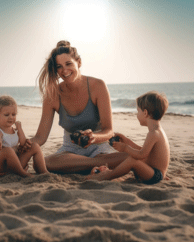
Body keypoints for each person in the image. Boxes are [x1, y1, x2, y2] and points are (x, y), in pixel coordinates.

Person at [27, 41, 128, 173]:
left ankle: (83, 165)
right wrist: (23, 146)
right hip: (70, 151)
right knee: (42, 163)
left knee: (127, 156)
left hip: (98, 147)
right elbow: (40, 137)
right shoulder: (52, 94)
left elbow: (109, 131)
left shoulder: (97, 86)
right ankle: (93, 165)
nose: (64, 71)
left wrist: (93, 137)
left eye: (68, 64)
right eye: (59, 66)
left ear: (78, 62)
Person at [88, 91, 170, 184]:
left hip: (156, 176)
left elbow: (141, 155)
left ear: (145, 113)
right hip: (154, 172)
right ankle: (110, 173)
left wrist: (125, 148)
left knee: (132, 160)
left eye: (138, 111)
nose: (137, 114)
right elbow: (144, 151)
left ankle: (108, 175)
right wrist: (127, 141)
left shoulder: (153, 133)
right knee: (133, 157)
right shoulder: (158, 131)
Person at [0, 95, 49, 177]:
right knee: (8, 150)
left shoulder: (15, 131)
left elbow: (22, 144)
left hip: (13, 166)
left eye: (13, 114)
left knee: (35, 146)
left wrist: (19, 129)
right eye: (7, 115)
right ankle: (23, 173)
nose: (11, 117)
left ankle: (44, 171)